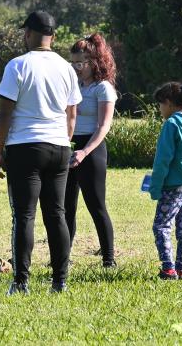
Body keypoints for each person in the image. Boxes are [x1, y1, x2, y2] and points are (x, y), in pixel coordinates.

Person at [0, 11, 82, 295]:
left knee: (24, 216)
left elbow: (4, 112)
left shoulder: (17, 65)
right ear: (53, 37)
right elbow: (72, 114)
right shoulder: (67, 68)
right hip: (58, 146)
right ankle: (60, 280)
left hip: (25, 146)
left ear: (28, 34)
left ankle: (21, 282)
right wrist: (64, 142)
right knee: (57, 214)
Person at [66, 33, 118, 268]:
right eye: (73, 63)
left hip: (92, 149)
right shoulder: (73, 85)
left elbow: (103, 126)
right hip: (69, 145)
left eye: (81, 63)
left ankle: (108, 258)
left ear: (94, 62)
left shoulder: (103, 88)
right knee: (66, 206)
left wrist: (84, 152)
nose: (76, 68)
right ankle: (62, 256)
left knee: (96, 206)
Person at [148, 82, 182, 280]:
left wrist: (155, 187)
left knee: (161, 225)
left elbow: (163, 160)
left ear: (170, 103)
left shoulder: (171, 124)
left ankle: (168, 268)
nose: (160, 109)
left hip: (174, 184)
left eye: (160, 105)